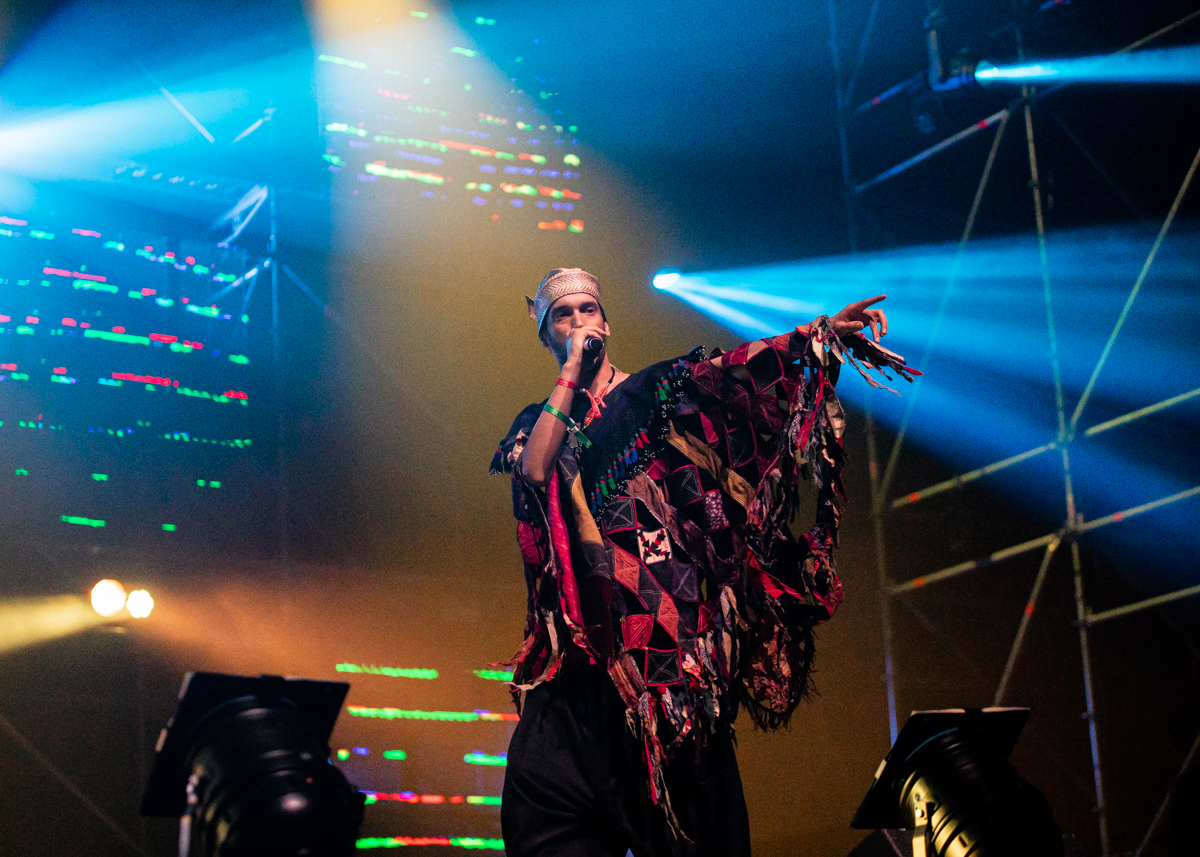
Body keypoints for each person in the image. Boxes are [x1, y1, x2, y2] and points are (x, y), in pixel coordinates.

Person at [491, 268, 918, 857]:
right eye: (562, 315)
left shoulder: (658, 390)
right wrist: (569, 376)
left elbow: (737, 372)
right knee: (542, 829)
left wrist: (816, 336)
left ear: (606, 324)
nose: (579, 321)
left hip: (664, 675)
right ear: (546, 334)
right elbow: (537, 471)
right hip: (577, 684)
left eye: (589, 309)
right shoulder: (535, 425)